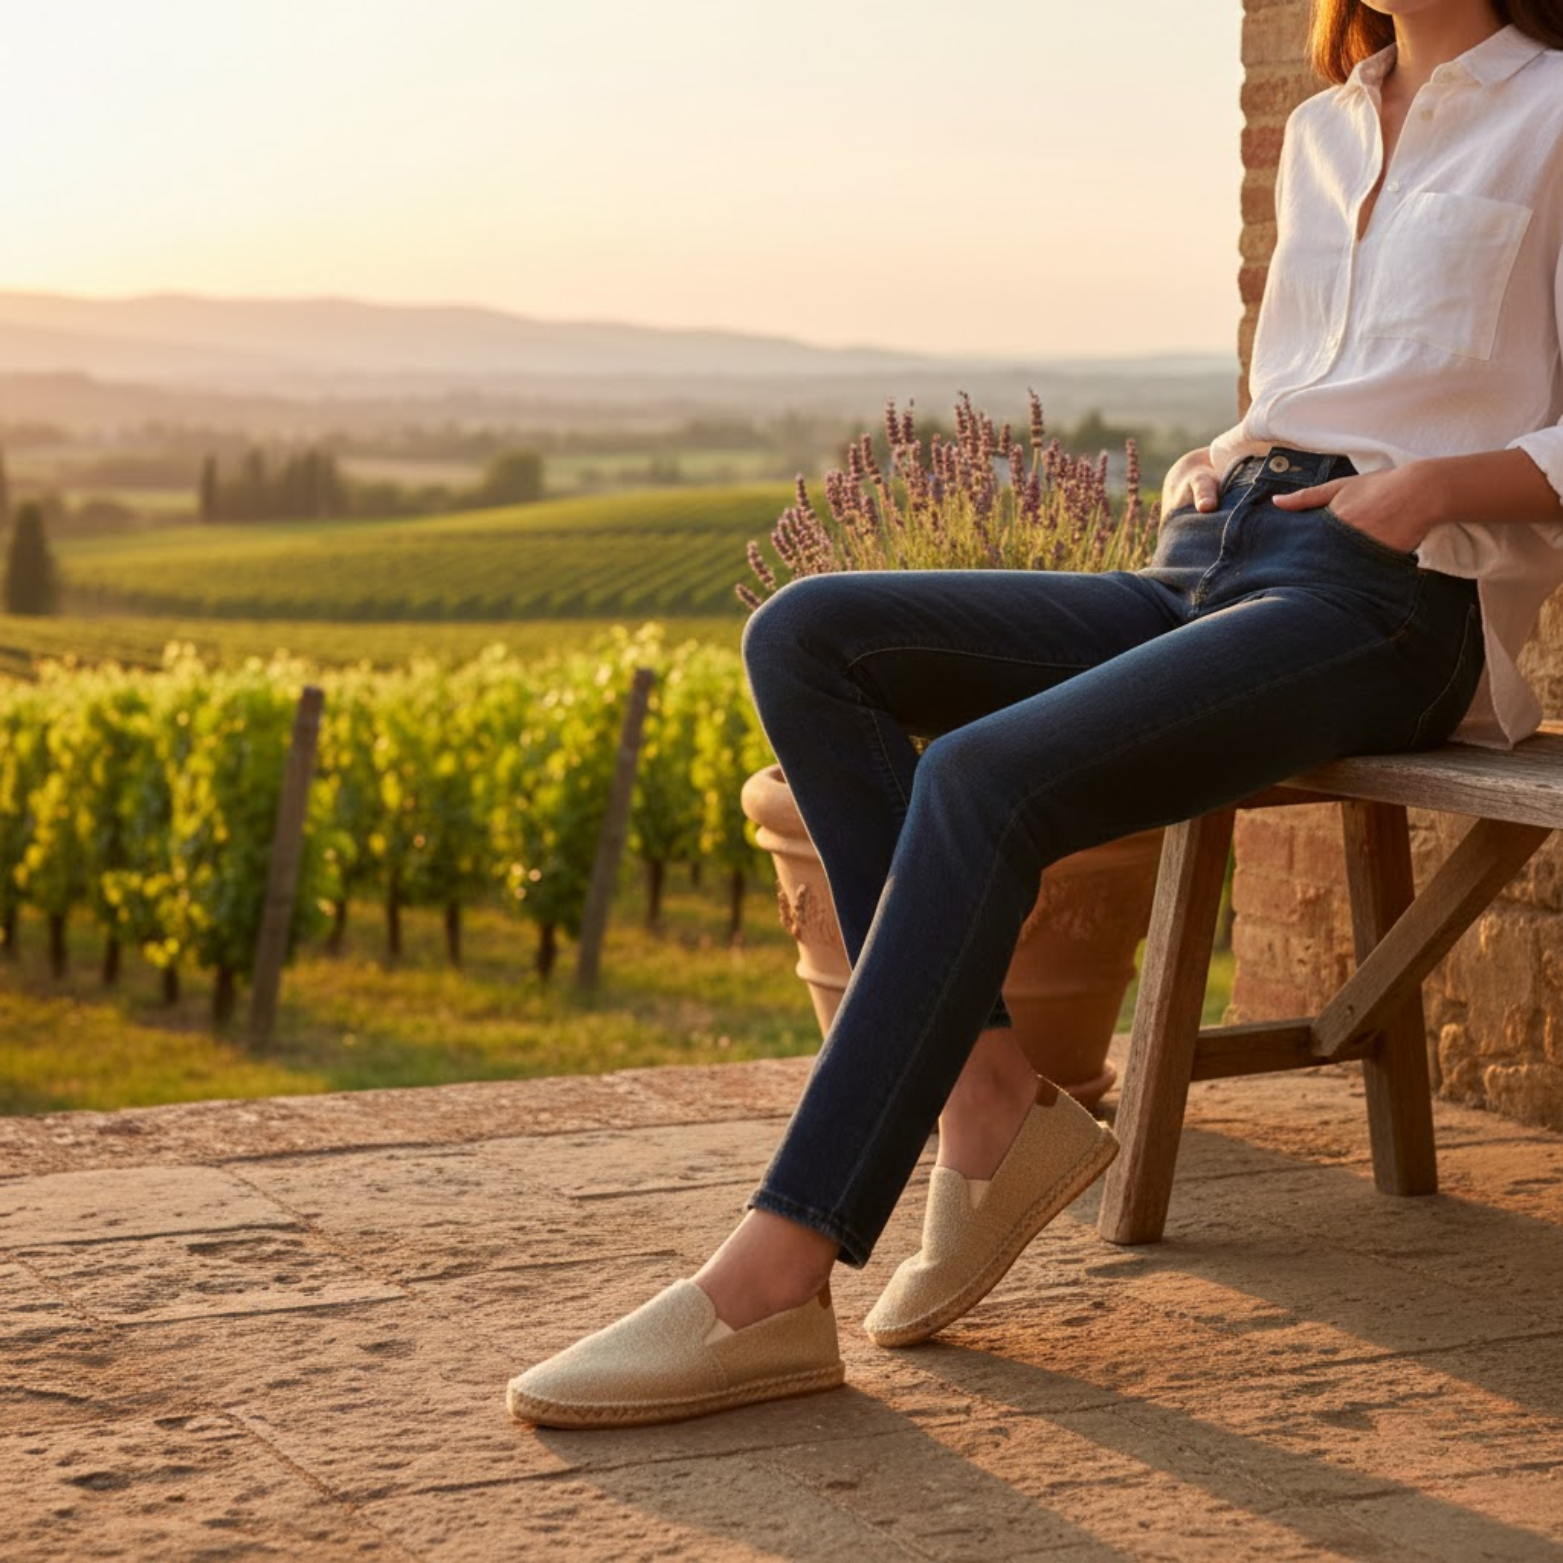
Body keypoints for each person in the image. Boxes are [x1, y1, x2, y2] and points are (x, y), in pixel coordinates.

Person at [508, 0, 1563, 1429]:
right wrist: (1222, 452)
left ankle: (772, 1277)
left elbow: (1449, 421)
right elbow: (1322, 376)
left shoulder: (1548, 112)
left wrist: (1429, 485)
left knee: (985, 775)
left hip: (1387, 594)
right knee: (811, 635)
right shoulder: (1322, 130)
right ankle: (990, 1097)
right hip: (1213, 550)